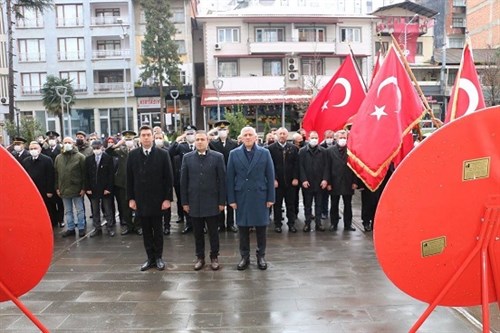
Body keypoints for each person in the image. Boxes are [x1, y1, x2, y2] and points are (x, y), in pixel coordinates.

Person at [227, 126, 275, 271]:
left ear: (255, 137)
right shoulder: (233, 154)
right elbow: (230, 178)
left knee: (261, 228)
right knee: (243, 228)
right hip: (242, 196)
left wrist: (271, 197)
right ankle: (244, 257)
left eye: (250, 135)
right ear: (240, 138)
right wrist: (231, 199)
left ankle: (261, 256)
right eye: (245, 135)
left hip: (260, 195)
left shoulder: (264, 153)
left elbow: (270, 175)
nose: (248, 137)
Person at [127, 125, 173, 271]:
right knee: (146, 231)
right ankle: (150, 258)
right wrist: (131, 198)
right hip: (141, 200)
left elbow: (168, 178)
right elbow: (129, 178)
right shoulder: (133, 155)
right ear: (140, 138)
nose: (146, 137)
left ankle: (159, 257)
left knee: (158, 230)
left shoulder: (162, 154)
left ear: (153, 136)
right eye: (143, 135)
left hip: (158, 200)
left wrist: (167, 199)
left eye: (148, 135)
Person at [181, 130, 226, 271]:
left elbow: (222, 180)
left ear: (207, 141)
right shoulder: (187, 158)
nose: (199, 141)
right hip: (194, 202)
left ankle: (214, 256)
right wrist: (185, 202)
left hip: (212, 202)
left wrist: (221, 202)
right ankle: (200, 257)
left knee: (213, 232)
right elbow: (183, 181)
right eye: (197, 139)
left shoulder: (218, 157)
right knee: (198, 233)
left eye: (202, 139)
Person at [106, 130, 142, 235]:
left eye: (130, 139)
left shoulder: (139, 150)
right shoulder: (121, 150)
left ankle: (138, 226)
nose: (129, 141)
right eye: (127, 139)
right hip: (122, 183)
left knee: (138, 205)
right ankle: (129, 226)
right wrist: (118, 144)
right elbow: (108, 151)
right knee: (124, 206)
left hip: (137, 183)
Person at [267, 127, 299, 233]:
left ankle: (291, 224)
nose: (282, 136)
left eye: (284, 134)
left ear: (287, 135)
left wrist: (295, 177)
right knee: (277, 205)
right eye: (280, 134)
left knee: (291, 204)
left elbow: (296, 165)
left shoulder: (293, 148)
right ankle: (278, 224)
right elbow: (270, 166)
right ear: (277, 135)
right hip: (277, 183)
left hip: (290, 182)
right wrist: (274, 179)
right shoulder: (270, 149)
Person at [209, 120, 239, 233]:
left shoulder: (234, 143)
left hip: (230, 175)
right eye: (220, 130)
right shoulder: (212, 143)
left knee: (230, 199)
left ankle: (231, 223)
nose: (223, 132)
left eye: (224, 129)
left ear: (228, 131)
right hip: (217, 176)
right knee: (219, 200)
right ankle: (220, 223)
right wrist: (213, 131)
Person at [325, 130, 358, 232]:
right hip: (334, 182)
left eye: (344, 138)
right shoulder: (330, 151)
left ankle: (348, 224)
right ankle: (333, 224)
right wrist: (328, 182)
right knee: (334, 204)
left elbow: (355, 167)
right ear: (336, 138)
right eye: (341, 138)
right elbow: (327, 167)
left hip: (348, 182)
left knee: (348, 204)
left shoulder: (351, 150)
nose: (343, 140)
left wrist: (355, 182)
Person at [54, 137, 87, 237]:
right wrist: (57, 188)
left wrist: (83, 188)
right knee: (68, 211)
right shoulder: (58, 158)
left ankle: (81, 227)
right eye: (65, 142)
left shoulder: (80, 157)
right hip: (64, 189)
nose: (67, 144)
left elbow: (84, 174)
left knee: (79, 210)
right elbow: (56, 174)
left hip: (77, 188)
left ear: (73, 144)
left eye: (69, 142)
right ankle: (70, 228)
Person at [298, 131, 328, 232]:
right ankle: (307, 223)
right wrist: (304, 180)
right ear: (308, 138)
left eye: (316, 137)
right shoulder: (302, 151)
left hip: (319, 183)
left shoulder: (323, 151)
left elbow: (326, 167)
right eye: (312, 137)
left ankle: (318, 223)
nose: (314, 139)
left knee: (319, 204)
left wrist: (325, 179)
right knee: (307, 205)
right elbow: (300, 167)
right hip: (308, 183)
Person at [169, 125, 197, 234]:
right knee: (184, 201)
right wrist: (177, 140)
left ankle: (200, 225)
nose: (190, 136)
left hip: (196, 178)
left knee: (197, 201)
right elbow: (169, 153)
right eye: (188, 133)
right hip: (184, 178)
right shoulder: (181, 146)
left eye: (192, 133)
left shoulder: (200, 144)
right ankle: (189, 224)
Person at [85, 140, 116, 237]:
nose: (96, 150)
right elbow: (86, 175)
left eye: (98, 148)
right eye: (94, 148)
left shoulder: (108, 158)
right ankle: (97, 228)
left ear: (102, 147)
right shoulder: (89, 159)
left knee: (107, 209)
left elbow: (111, 175)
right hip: (93, 188)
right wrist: (88, 188)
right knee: (95, 209)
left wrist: (108, 188)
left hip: (105, 188)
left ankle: (110, 227)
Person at [21, 141, 56, 227]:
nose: (33, 150)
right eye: (31, 149)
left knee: (48, 207)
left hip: (44, 189)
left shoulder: (47, 160)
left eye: (35, 148)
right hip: (32, 190)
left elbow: (50, 176)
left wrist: (50, 190)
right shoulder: (26, 161)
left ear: (40, 150)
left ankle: (51, 224)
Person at [41, 130, 64, 228]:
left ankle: (61, 219)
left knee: (60, 201)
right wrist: (42, 143)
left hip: (58, 176)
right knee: (51, 201)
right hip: (48, 177)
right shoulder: (45, 150)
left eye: (53, 138)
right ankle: (54, 219)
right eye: (49, 138)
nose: (51, 140)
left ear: (56, 139)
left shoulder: (61, 149)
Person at [154, 131, 172, 235]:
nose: (158, 140)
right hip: (154, 185)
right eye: (156, 138)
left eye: (160, 138)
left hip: (164, 183)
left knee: (166, 207)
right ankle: (158, 226)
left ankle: (167, 226)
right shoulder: (151, 151)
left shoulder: (166, 151)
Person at [320, 129, 336, 220]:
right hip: (324, 174)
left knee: (334, 197)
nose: (329, 139)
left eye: (331, 137)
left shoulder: (337, 146)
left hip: (335, 175)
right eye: (328, 137)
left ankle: (335, 213)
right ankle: (324, 212)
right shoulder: (321, 147)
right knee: (324, 196)